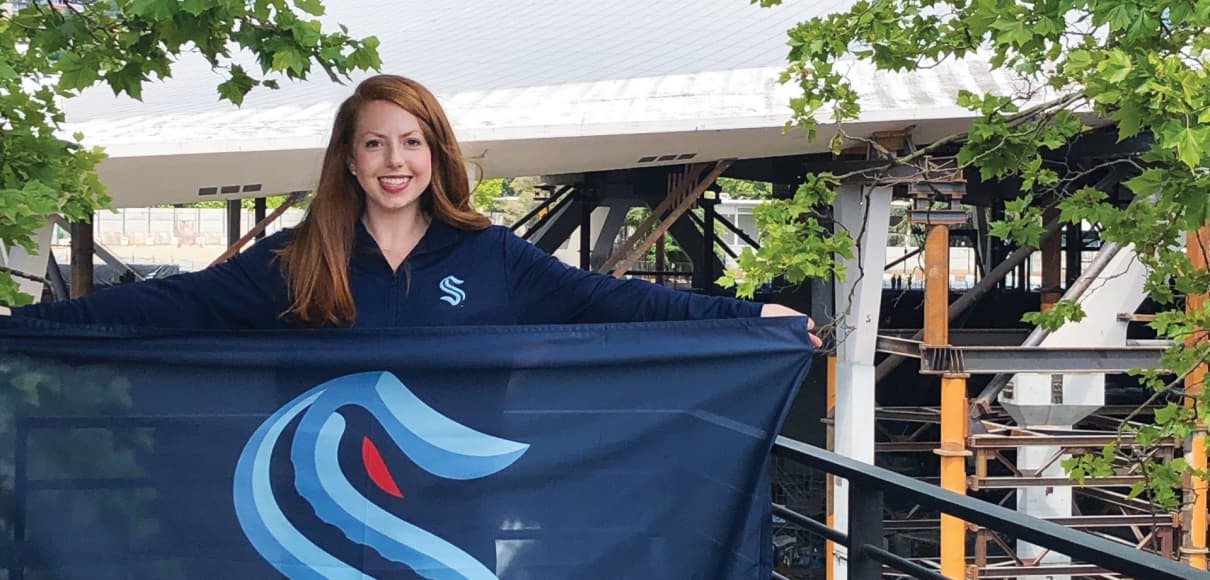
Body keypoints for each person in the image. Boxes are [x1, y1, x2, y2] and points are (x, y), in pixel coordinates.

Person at [1, 74, 820, 346]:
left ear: (437, 154)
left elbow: (623, 300)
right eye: (374, 145)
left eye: (412, 143)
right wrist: (20, 329)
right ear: (349, 161)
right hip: (307, 514)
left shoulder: (494, 256)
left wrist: (752, 316)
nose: (396, 163)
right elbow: (161, 305)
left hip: (458, 507)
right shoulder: (297, 260)